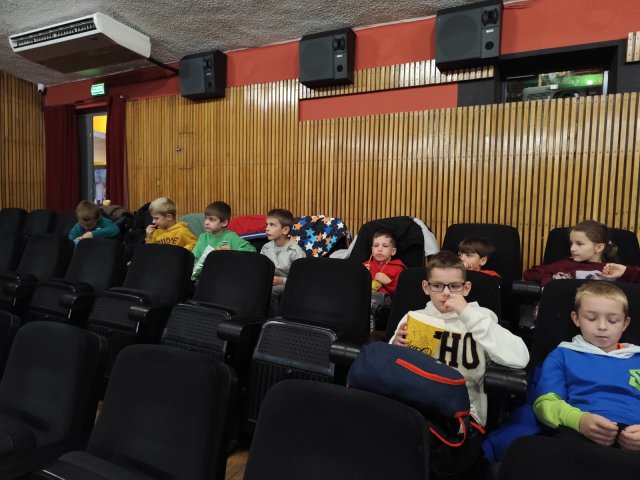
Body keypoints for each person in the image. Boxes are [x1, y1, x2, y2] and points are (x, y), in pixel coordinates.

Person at [390, 251, 529, 427]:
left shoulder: (481, 317)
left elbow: (520, 357)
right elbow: (392, 370)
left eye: (454, 286)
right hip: (414, 402)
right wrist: (394, 346)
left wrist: (467, 313)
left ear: (466, 288)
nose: (446, 293)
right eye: (438, 286)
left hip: (461, 411)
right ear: (426, 287)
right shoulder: (413, 317)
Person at [532, 282, 640, 450]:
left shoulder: (637, 357)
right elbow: (545, 403)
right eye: (591, 318)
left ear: (625, 324)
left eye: (612, 320)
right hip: (578, 431)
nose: (602, 327)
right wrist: (580, 421)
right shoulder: (563, 354)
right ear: (576, 318)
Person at [524, 220, 619, 287]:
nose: (572, 249)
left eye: (579, 244)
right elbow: (530, 273)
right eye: (572, 243)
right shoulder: (565, 264)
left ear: (599, 247)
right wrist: (548, 281)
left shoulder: (614, 270)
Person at [191, 201, 256, 280]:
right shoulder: (203, 237)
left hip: (225, 277)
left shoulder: (231, 236)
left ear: (224, 222)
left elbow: (252, 250)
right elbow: (193, 258)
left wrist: (232, 251)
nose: (206, 222)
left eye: (211, 219)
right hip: (202, 277)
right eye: (206, 218)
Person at [259, 209, 306, 315]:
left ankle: (275, 319)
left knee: (272, 291)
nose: (267, 228)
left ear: (285, 230)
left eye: (272, 225)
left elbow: (302, 279)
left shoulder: (295, 251)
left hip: (289, 283)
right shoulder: (266, 247)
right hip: (270, 282)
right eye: (267, 224)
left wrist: (282, 281)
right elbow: (261, 269)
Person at [363, 230, 406, 331]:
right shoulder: (365, 265)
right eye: (376, 245)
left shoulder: (398, 267)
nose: (379, 249)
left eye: (385, 246)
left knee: (372, 299)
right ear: (372, 249)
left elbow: (402, 293)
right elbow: (355, 286)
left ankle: (369, 320)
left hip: (385, 299)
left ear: (393, 251)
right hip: (364, 295)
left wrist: (388, 282)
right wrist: (362, 275)